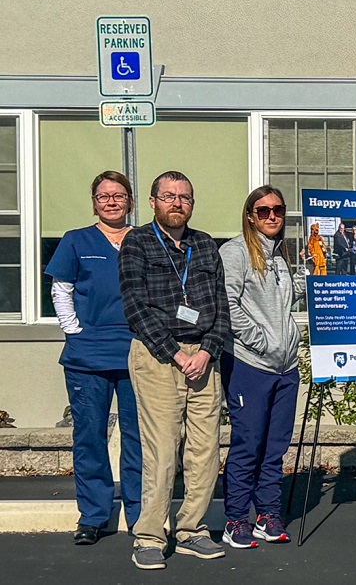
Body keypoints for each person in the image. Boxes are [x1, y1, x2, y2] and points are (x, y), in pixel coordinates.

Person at [119, 171, 230, 569]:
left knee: (204, 450)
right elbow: (135, 307)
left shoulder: (203, 245)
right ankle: (149, 535)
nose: (177, 203)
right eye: (168, 196)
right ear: (153, 202)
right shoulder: (137, 242)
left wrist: (207, 351)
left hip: (203, 357)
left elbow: (221, 308)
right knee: (163, 451)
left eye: (184, 197)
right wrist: (177, 355)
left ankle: (191, 530)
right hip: (158, 356)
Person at [44, 171, 142, 546]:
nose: (112, 201)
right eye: (104, 196)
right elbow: (62, 289)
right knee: (90, 437)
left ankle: (139, 514)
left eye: (119, 195)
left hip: (138, 354)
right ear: (94, 202)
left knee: (139, 439)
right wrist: (74, 331)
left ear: (130, 201)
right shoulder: (76, 241)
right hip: (87, 357)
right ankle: (94, 515)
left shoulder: (145, 240)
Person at [219, 186, 304, 549]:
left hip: (286, 368)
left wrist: (313, 277)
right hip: (250, 365)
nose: (272, 216)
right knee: (248, 444)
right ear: (250, 215)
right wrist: (262, 340)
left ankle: (268, 514)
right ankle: (236, 518)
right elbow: (228, 304)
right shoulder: (235, 253)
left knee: (275, 447)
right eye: (264, 210)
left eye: (278, 210)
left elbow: (288, 299)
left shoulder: (280, 256)